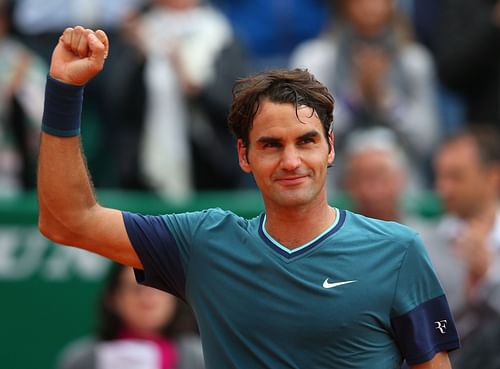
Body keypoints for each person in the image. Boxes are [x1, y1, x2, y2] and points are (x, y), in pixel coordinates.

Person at [37, 26, 459, 368]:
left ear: (330, 147)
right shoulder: (202, 243)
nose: (291, 161)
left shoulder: (399, 251)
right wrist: (63, 90)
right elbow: (67, 219)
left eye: (306, 141)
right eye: (271, 145)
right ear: (245, 155)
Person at [290, 0, 440, 188]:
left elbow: (427, 141)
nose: (370, 5)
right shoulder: (316, 58)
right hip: (336, 177)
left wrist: (386, 100)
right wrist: (355, 99)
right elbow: (307, 134)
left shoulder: (414, 60)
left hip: (402, 180)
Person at [425, 126, 500, 367]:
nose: (443, 188)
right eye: (440, 176)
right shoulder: (421, 246)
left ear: (493, 177)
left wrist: (489, 276)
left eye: (456, 177)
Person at [57, 263, 204, 369]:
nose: (147, 299)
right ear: (113, 299)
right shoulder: (83, 360)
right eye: (135, 290)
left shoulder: (201, 357)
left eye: (159, 288)